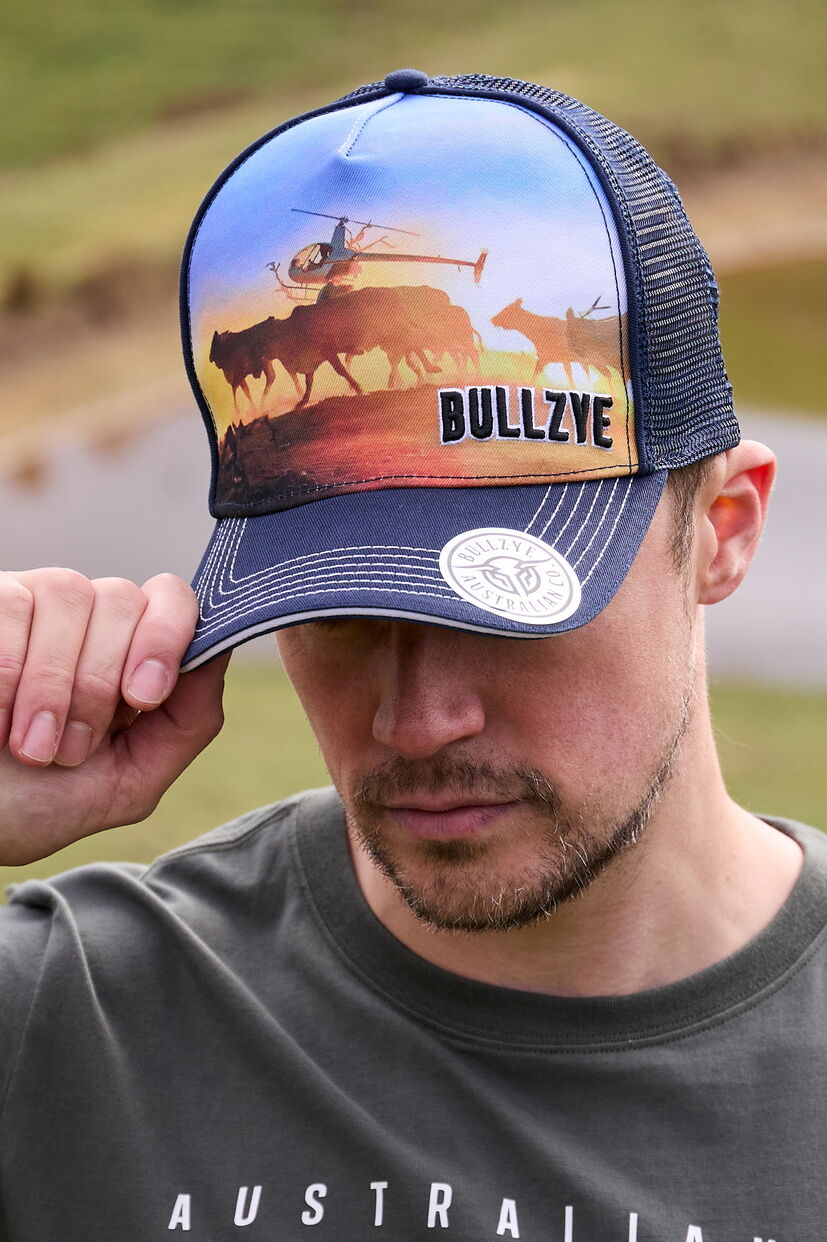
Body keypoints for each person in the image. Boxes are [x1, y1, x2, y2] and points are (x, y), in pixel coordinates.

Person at [0, 69, 821, 1241]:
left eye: (510, 603)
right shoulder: (68, 1027)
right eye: (338, 612)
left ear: (723, 530)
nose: (417, 720)